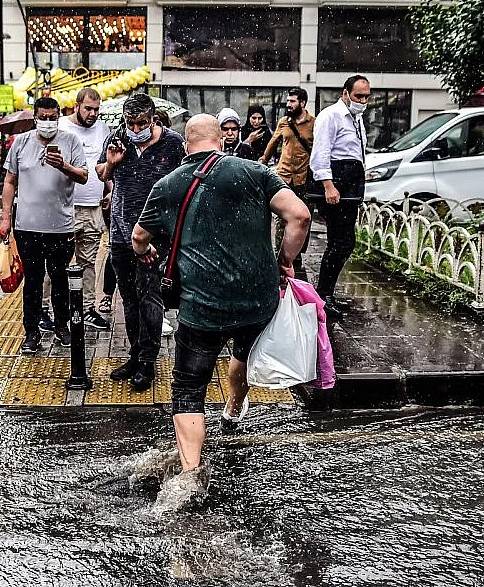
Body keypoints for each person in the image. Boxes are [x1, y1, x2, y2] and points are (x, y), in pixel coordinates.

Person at [133, 114, 311, 495]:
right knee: (243, 351)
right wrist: (285, 260)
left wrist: (145, 251)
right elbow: (299, 215)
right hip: (256, 303)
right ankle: (232, 409)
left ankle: (191, 475)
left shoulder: (169, 184)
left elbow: (138, 237)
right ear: (221, 140)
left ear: (186, 146)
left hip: (202, 308)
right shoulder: (255, 172)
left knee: (189, 386)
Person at [96, 93, 187, 391]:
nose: (135, 129)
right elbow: (101, 173)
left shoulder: (173, 143)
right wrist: (112, 164)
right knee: (129, 298)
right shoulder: (117, 138)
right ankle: (135, 356)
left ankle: (148, 361)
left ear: (153, 119)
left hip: (155, 237)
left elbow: (183, 186)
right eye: (130, 123)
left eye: (142, 123)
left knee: (150, 297)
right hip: (121, 233)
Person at [0, 97, 88, 353]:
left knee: (60, 280)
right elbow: (10, 181)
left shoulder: (71, 141)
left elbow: (83, 176)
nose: (48, 122)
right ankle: (32, 332)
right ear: (35, 118)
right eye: (43, 118)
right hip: (27, 227)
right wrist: (6, 217)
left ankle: (61, 326)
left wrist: (64, 166)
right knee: (33, 281)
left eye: (52, 118)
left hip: (60, 227)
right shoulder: (21, 142)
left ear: (59, 117)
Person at [310, 74, 370, 316]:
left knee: (341, 242)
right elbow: (320, 153)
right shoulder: (331, 116)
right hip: (336, 187)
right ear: (345, 93)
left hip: (349, 187)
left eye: (366, 97)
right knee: (342, 242)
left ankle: (326, 293)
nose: (363, 101)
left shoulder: (356, 118)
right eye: (358, 96)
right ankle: (323, 295)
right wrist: (328, 185)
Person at [60, 87, 113, 332]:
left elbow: (107, 164)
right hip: (64, 206)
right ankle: (51, 309)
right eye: (88, 109)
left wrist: (110, 189)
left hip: (93, 207)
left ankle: (87, 308)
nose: (92, 114)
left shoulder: (103, 129)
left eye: (96, 109)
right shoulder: (61, 127)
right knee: (58, 261)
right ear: (77, 106)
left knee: (89, 262)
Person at [262, 87, 316, 278]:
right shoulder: (284, 122)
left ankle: (297, 253)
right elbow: (273, 143)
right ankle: (281, 255)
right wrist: (262, 161)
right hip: (283, 176)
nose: (288, 105)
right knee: (281, 217)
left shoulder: (314, 123)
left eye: (292, 101)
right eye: (288, 101)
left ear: (303, 103)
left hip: (303, 178)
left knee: (303, 217)